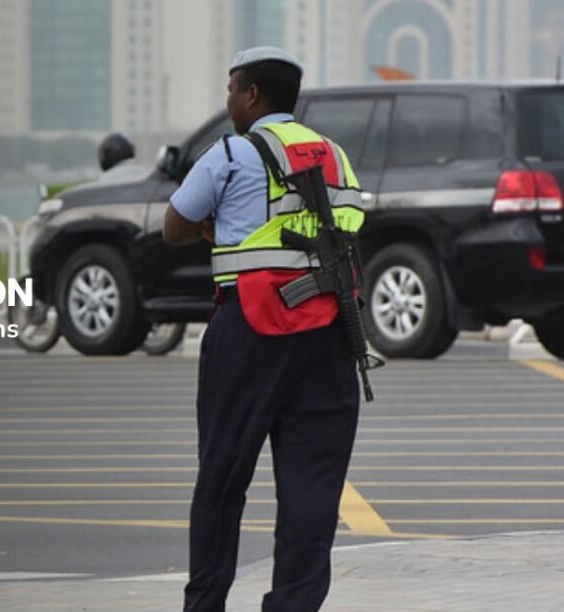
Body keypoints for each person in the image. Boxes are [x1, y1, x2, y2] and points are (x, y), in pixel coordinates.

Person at [163, 46, 365, 612]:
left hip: (249, 333)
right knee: (312, 488)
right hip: (329, 334)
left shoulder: (232, 152)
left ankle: (205, 604)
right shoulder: (335, 155)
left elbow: (173, 226)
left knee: (222, 480)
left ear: (252, 94)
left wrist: (219, 225)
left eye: (231, 89)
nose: (228, 100)